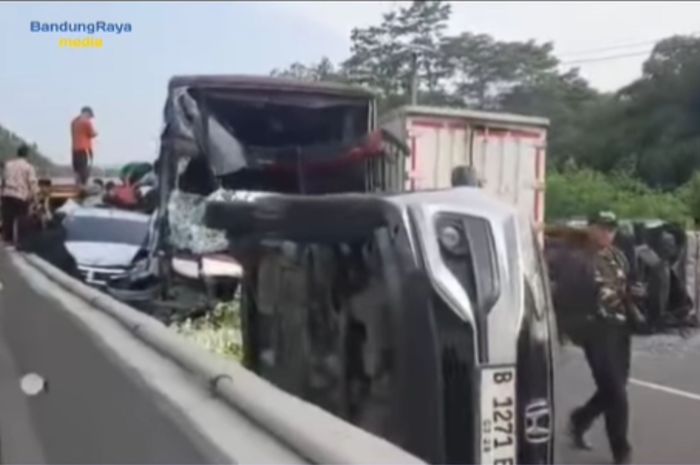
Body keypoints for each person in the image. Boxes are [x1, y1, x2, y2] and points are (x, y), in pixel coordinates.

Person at [569, 210, 642, 465]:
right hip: (594, 329)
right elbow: (572, 294)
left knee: (615, 387)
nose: (607, 233)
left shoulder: (618, 256)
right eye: (602, 227)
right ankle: (621, 451)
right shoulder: (578, 257)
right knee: (616, 393)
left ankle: (580, 418)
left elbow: (628, 285)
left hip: (620, 327)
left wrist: (635, 293)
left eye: (611, 229)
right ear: (590, 228)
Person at [1, 144, 38, 246]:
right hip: (20, 196)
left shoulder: (8, 165)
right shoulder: (28, 167)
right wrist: (35, 198)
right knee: (22, 219)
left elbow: (3, 180)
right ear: (26, 155)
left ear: (17, 153)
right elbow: (32, 184)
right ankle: (20, 243)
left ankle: (7, 240)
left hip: (7, 195)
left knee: (7, 220)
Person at [71, 106, 98, 187]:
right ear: (86, 113)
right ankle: (83, 185)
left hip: (74, 149)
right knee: (84, 168)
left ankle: (77, 184)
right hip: (84, 148)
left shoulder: (73, 122)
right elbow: (92, 133)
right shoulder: (86, 122)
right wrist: (96, 133)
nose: (90, 118)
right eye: (90, 116)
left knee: (77, 168)